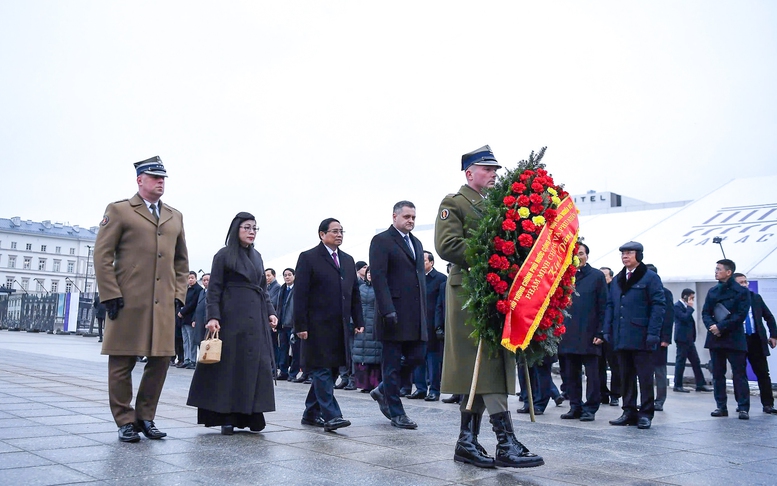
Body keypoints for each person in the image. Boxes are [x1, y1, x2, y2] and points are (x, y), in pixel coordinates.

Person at [435, 144, 543, 468]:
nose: (494, 174)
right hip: (469, 293)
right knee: (486, 364)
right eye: (487, 169)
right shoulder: (454, 203)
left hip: (496, 293)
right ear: (470, 173)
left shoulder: (497, 205)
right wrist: (494, 252)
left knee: (480, 369)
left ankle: (467, 441)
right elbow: (447, 245)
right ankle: (505, 441)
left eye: (495, 169)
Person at [94, 156, 189, 443]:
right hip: (127, 302)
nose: (161, 182)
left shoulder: (175, 215)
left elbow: (181, 262)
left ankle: (145, 417)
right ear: (140, 180)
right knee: (122, 361)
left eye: (163, 178)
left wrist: (178, 295)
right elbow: (102, 255)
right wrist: (110, 293)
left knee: (160, 361)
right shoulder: (120, 210)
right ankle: (124, 419)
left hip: (162, 304)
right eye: (154, 177)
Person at [187, 212, 277, 435]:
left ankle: (251, 413)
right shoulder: (224, 255)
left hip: (255, 318)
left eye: (255, 228)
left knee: (253, 365)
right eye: (247, 227)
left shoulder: (257, 256)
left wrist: (270, 312)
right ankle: (225, 415)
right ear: (236, 229)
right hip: (230, 317)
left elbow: (263, 290)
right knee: (229, 366)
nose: (251, 232)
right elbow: (214, 289)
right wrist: (213, 316)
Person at [294, 218, 364, 432]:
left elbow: (354, 294)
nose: (339, 235)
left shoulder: (347, 260)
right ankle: (332, 416)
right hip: (316, 326)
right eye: (334, 231)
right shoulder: (309, 258)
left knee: (332, 370)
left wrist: (358, 319)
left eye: (341, 231)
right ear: (322, 234)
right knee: (322, 369)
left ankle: (311, 412)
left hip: (340, 326)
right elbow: (300, 294)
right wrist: (300, 325)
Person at [368, 201, 427, 429]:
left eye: (413, 217)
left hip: (415, 316)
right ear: (395, 217)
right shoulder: (382, 241)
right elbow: (379, 278)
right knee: (391, 365)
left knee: (418, 356)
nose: (410, 220)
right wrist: (387, 309)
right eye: (406, 216)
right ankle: (396, 412)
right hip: (392, 314)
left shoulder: (417, 243)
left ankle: (383, 389)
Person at [603, 241, 665, 430]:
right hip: (621, 336)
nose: (625, 256)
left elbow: (658, 306)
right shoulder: (618, 279)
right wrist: (607, 329)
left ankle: (646, 413)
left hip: (642, 335)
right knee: (625, 375)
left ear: (639, 255)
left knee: (645, 377)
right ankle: (628, 410)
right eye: (622, 253)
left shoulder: (650, 277)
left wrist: (654, 332)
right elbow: (611, 305)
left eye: (629, 253)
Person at [558, 243, 607, 421]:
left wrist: (601, 332)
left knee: (592, 374)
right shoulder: (564, 276)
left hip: (590, 333)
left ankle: (591, 407)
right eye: (574, 254)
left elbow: (604, 305)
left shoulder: (597, 276)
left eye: (581, 254)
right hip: (568, 333)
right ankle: (575, 406)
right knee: (570, 373)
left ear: (587, 256)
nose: (578, 257)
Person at [703, 259, 751, 420]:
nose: (715, 272)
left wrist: (721, 327)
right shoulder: (713, 291)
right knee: (717, 373)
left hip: (734, 337)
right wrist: (712, 326)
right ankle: (721, 406)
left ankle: (743, 407)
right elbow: (705, 313)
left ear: (728, 272)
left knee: (739, 373)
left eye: (718, 269)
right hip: (715, 338)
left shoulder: (741, 292)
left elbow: (740, 315)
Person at [733, 273, 777, 414]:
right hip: (739, 340)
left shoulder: (756, 298)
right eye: (741, 282)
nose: (745, 284)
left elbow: (769, 317)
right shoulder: (731, 300)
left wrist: (774, 335)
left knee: (763, 372)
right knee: (739, 373)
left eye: (746, 282)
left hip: (756, 339)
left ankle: (768, 404)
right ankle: (742, 404)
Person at [407, 251, 447, 402]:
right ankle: (420, 388)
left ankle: (435, 390)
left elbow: (441, 305)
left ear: (431, 262)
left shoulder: (441, 279)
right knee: (418, 358)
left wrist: (439, 326)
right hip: (416, 324)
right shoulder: (414, 278)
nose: (421, 263)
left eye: (424, 260)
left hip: (432, 325)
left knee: (433, 359)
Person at [645, 264, 673, 411]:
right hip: (644, 337)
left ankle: (660, 400)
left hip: (660, 338)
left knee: (660, 371)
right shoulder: (641, 291)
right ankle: (647, 400)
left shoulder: (665, 292)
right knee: (646, 371)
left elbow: (668, 317)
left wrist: (666, 338)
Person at [672, 289, 711, 393]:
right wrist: (689, 307)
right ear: (685, 297)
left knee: (695, 361)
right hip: (682, 338)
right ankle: (677, 384)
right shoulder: (677, 306)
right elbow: (684, 318)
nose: (692, 300)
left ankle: (700, 383)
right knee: (681, 361)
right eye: (691, 298)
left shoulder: (685, 307)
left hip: (689, 339)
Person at [352, 266, 382, 392]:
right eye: (368, 272)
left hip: (374, 323)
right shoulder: (360, 288)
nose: (370, 274)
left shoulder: (380, 289)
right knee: (361, 355)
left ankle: (375, 384)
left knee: (375, 355)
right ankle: (363, 384)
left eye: (372, 272)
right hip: (361, 323)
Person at [598, 266, 621, 406]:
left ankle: (615, 394)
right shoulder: (598, 290)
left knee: (615, 366)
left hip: (612, 334)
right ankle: (603, 393)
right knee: (598, 367)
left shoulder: (615, 290)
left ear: (610, 277)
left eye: (605, 275)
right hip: (597, 334)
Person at [178, 271, 203, 369]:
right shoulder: (186, 289)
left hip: (191, 317)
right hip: (183, 318)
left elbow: (193, 304)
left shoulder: (198, 289)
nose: (190, 280)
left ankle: (192, 360)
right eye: (188, 278)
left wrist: (182, 312)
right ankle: (186, 359)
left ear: (196, 278)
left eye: (192, 278)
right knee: (185, 340)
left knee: (191, 340)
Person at [275, 268, 296, 380]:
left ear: (294, 276)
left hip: (292, 324)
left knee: (294, 351)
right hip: (282, 324)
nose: (287, 277)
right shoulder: (282, 289)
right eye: (285, 275)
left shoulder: (297, 289)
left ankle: (293, 373)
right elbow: (279, 306)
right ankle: (283, 372)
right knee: (283, 349)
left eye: (289, 275)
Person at [193, 273, 210, 343]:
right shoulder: (201, 292)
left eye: (207, 280)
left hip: (206, 321)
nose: (205, 282)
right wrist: (194, 319)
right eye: (204, 280)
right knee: (200, 342)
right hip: (199, 321)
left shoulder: (213, 292)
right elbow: (198, 306)